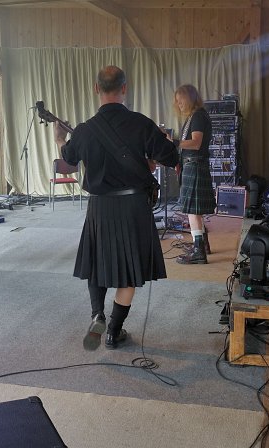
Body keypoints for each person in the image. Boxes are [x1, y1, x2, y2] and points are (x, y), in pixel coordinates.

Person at [54, 66, 179, 350]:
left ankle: (97, 314)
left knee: (96, 263)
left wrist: (59, 137)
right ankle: (113, 331)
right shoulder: (141, 124)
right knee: (129, 270)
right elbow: (171, 157)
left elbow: (69, 159)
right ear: (124, 88)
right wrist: (161, 143)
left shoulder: (84, 130)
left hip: (100, 207)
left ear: (96, 89)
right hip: (133, 206)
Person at [172, 84, 215, 264]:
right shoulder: (194, 116)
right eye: (177, 101)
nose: (179, 104)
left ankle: (199, 252)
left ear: (189, 98)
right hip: (192, 165)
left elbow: (196, 143)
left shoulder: (198, 116)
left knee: (192, 210)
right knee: (195, 210)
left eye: (181, 100)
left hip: (195, 166)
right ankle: (203, 245)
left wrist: (173, 142)